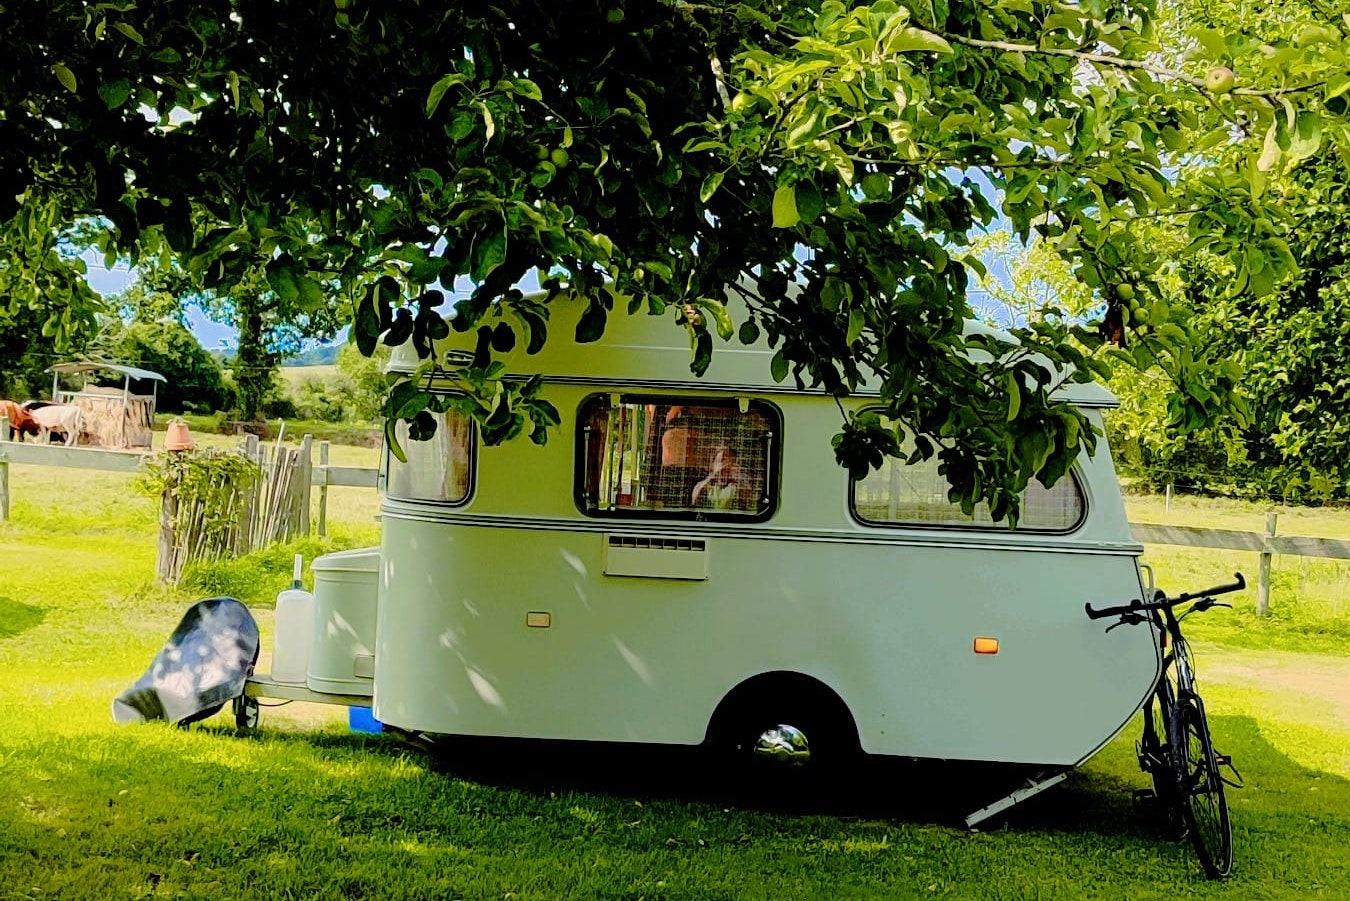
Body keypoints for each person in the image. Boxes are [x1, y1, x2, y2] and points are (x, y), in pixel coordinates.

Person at [690, 445, 747, 510]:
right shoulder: (704, 485)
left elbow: (747, 501)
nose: (724, 464)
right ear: (713, 464)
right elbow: (694, 503)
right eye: (720, 460)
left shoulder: (736, 485)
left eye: (727, 460)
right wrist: (711, 477)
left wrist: (737, 477)